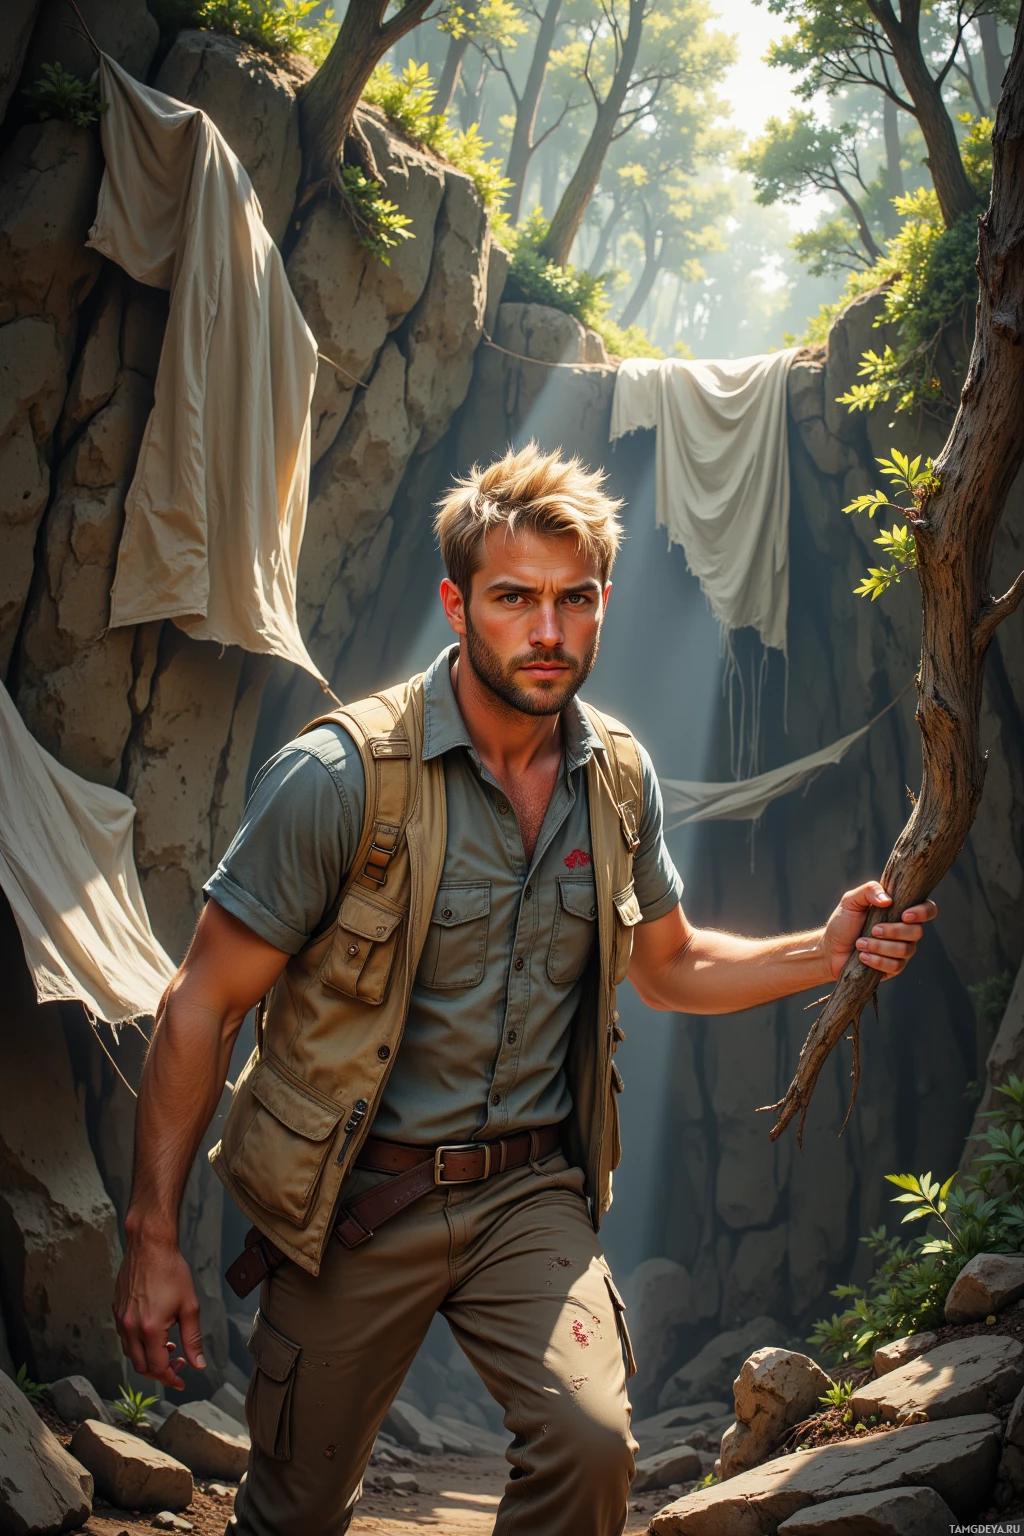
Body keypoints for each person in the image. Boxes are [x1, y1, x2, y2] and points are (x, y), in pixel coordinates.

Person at [113, 444, 937, 1536]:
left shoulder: (619, 778)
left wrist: (822, 947)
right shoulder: (341, 777)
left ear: (603, 606)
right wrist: (152, 1238)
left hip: (527, 1196)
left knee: (592, 1448)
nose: (546, 631)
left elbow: (670, 962)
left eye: (572, 599)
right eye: (513, 599)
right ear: (458, 604)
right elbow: (201, 1003)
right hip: (354, 1205)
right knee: (294, 1511)